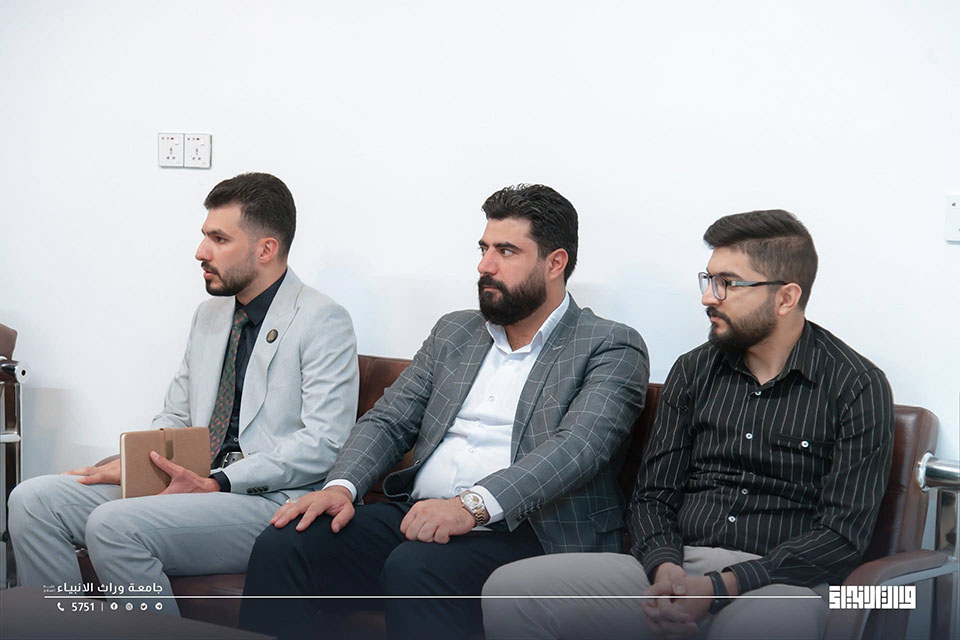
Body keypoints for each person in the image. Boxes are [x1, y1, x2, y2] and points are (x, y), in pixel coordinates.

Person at [238, 183, 650, 640]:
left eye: (506, 251)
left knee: (419, 566)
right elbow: (389, 419)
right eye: (484, 248)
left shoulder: (610, 345)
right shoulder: (456, 332)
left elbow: (578, 448)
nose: (485, 265)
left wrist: (470, 507)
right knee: (287, 541)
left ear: (555, 263)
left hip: (532, 532)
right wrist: (342, 486)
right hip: (421, 514)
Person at [482, 209, 895, 640]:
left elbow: (841, 537)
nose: (708, 297)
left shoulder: (856, 385)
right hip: (678, 565)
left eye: (728, 283)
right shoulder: (694, 370)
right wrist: (665, 569)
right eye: (709, 280)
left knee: (769, 624)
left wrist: (718, 587)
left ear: (786, 297)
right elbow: (652, 497)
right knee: (510, 590)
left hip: (781, 583)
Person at [8, 172, 360, 615]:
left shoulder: (322, 319)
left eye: (219, 239)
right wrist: (139, 464)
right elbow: (176, 414)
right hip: (193, 484)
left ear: (266, 249)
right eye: (204, 235)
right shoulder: (210, 316)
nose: (200, 252)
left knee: (113, 525)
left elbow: (324, 443)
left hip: (266, 500)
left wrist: (220, 481)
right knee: (33, 501)